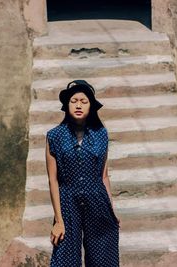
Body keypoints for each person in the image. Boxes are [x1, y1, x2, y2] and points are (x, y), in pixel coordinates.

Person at [45, 80, 120, 267]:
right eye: (74, 101)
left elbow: (103, 176)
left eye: (84, 101)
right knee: (64, 259)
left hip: (97, 199)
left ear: (91, 106)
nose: (78, 105)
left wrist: (111, 209)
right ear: (67, 105)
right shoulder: (54, 136)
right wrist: (58, 220)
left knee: (103, 258)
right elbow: (53, 180)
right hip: (67, 201)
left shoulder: (101, 133)